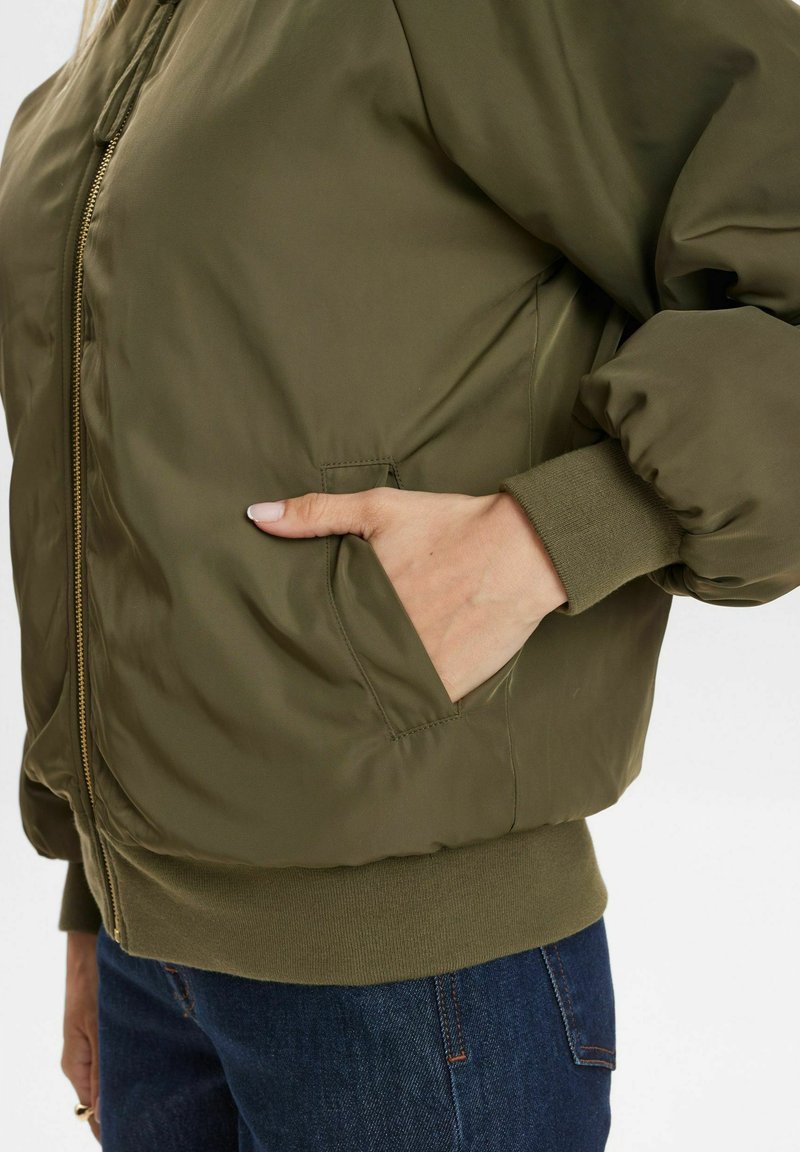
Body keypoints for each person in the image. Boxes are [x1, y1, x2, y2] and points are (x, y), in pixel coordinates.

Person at [1, 0, 798, 1147]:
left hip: (413, 990)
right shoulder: (130, 26)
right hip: (149, 967)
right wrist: (95, 888)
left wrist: (555, 536)